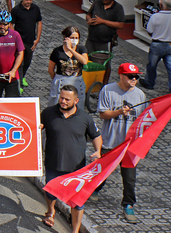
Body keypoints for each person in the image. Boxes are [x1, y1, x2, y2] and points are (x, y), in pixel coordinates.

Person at [41, 85, 102, 232]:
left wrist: (98, 151)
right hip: (52, 163)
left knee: (77, 202)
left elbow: (96, 136)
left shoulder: (85, 118)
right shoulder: (48, 113)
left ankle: (75, 230)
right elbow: (37, 128)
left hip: (77, 168)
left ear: (76, 100)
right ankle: (50, 212)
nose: (63, 101)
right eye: (61, 98)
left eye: (67, 99)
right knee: (50, 192)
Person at [94, 63, 147, 222]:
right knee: (101, 172)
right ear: (121, 76)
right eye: (131, 76)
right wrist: (118, 112)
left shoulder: (140, 95)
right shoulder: (108, 90)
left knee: (130, 179)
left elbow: (142, 119)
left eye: (136, 76)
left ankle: (128, 204)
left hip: (130, 147)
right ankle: (95, 189)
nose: (134, 79)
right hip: (110, 142)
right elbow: (103, 114)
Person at [85, 0, 125, 80]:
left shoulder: (118, 8)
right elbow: (88, 14)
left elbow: (120, 25)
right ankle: (90, 81)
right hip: (91, 39)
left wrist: (102, 21)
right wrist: (89, 19)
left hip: (105, 41)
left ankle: (103, 83)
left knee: (104, 64)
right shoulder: (97, 3)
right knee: (88, 60)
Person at [140, 0, 171, 93]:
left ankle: (149, 83)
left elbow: (149, 30)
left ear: (160, 5)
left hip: (157, 44)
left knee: (152, 65)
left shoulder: (155, 16)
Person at [47, 26, 89, 105]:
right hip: (61, 82)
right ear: (66, 38)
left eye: (77, 38)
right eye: (72, 37)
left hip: (77, 82)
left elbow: (84, 61)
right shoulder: (57, 51)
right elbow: (50, 69)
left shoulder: (81, 49)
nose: (75, 40)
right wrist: (56, 79)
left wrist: (71, 49)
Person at [11, 0, 43, 87]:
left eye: (30, 0)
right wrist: (15, 38)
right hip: (19, 41)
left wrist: (37, 39)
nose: (28, 2)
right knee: (20, 62)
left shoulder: (35, 9)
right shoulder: (16, 10)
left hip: (30, 40)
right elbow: (11, 25)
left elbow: (39, 22)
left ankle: (22, 77)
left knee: (28, 61)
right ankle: (19, 82)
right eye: (27, 0)